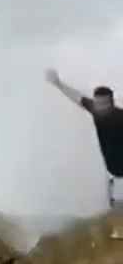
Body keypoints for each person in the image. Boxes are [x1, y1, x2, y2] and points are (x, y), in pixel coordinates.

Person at [45, 68, 123, 209]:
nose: (101, 108)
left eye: (104, 104)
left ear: (111, 103)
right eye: (98, 104)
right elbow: (78, 98)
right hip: (113, 172)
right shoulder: (96, 111)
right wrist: (58, 84)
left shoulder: (120, 117)